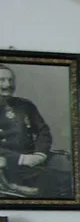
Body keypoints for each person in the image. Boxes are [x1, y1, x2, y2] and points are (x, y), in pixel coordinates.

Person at [0, 65, 55, 198]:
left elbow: (43, 131)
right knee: (50, 180)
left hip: (34, 161)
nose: (8, 85)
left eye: (10, 80)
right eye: (1, 80)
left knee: (67, 176)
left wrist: (40, 154)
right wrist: (21, 159)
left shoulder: (26, 106)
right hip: (8, 165)